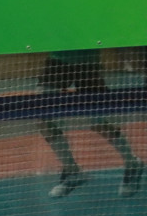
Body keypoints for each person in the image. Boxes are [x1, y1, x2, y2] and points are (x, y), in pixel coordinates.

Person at [37, 50, 143, 198]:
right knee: (43, 119)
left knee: (97, 122)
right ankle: (73, 172)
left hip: (87, 63)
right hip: (57, 60)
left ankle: (133, 163)